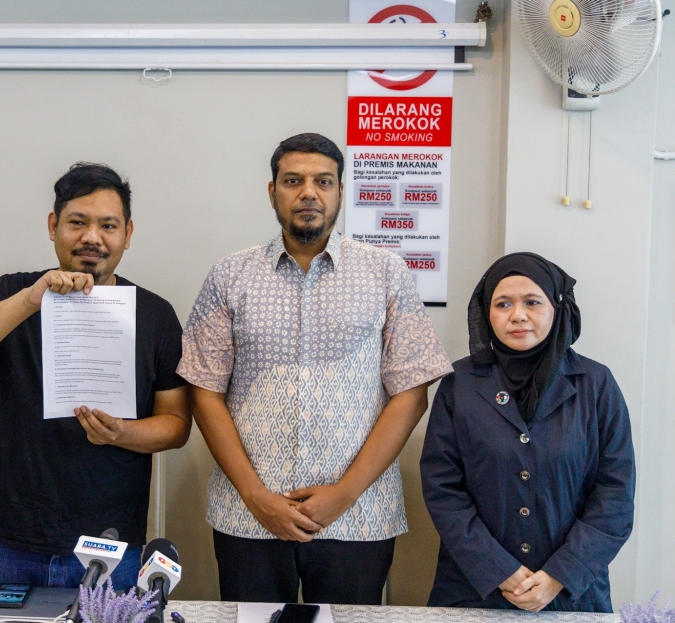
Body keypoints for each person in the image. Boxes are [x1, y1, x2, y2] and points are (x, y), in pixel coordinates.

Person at [177, 133, 452, 605]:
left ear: (341, 192)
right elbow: (204, 390)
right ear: (272, 192)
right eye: (293, 181)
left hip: (358, 515)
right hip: (250, 515)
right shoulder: (229, 275)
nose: (309, 192)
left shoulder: (386, 272)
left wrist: (344, 494)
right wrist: (255, 496)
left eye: (323, 181)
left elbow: (411, 392)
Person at [0, 163, 191, 592]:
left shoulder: (156, 315)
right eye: (77, 222)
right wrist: (32, 299)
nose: (92, 237)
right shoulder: (11, 292)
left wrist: (122, 433)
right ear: (53, 227)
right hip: (11, 539)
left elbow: (177, 426)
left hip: (109, 543)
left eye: (107, 225)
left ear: (127, 234)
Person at [420, 252, 635, 612]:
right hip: (475, 590)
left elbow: (615, 496)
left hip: (572, 594)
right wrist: (499, 570)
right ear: (486, 313)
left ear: (556, 307)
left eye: (532, 302)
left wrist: (559, 575)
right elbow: (443, 490)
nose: (517, 315)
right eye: (503, 304)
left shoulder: (596, 385)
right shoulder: (459, 385)